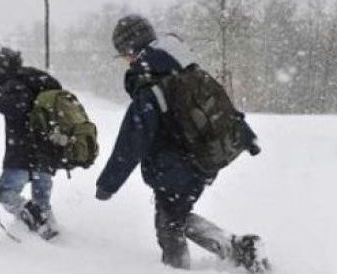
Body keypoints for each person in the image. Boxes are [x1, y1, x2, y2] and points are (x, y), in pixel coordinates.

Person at [95, 14, 270, 273]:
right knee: (175, 216)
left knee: (169, 227)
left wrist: (107, 184)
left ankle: (197, 262)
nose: (125, 61)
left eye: (124, 55)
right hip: (203, 158)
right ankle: (236, 249)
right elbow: (221, 106)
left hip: (176, 167)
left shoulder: (151, 85)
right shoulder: (187, 69)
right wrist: (246, 136)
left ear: (130, 49)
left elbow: (132, 142)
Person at [0, 47, 62, 240]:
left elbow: (17, 107)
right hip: (47, 153)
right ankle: (53, 235)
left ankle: (35, 220)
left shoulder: (16, 83)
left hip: (23, 153)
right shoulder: (35, 81)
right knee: (42, 200)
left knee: (4, 192)